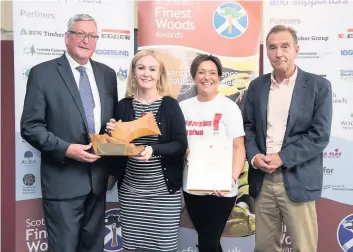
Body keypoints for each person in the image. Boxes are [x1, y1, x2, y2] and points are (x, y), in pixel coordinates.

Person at [20, 14, 118, 252]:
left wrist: (114, 128)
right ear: (66, 37)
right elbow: (30, 127)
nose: (87, 40)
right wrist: (66, 149)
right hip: (62, 182)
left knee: (93, 248)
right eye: (80, 34)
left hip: (98, 181)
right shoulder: (43, 73)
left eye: (92, 35)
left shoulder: (107, 74)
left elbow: (110, 121)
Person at [243, 25, 332, 252]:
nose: (278, 53)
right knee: (263, 247)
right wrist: (254, 157)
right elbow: (249, 128)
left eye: (285, 46)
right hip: (262, 180)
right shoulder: (256, 86)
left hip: (297, 177)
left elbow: (319, 136)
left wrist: (282, 157)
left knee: (304, 247)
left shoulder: (318, 86)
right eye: (272, 47)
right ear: (268, 52)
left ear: (296, 50)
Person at [106, 49, 187, 252]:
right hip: (131, 193)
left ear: (159, 74)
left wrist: (153, 149)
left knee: (165, 247)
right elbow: (114, 149)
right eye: (141, 68)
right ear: (133, 72)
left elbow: (179, 145)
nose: (146, 73)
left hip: (163, 194)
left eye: (152, 69)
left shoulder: (170, 105)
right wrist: (110, 134)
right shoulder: (123, 106)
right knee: (134, 247)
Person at [180, 54, 246, 252]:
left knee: (208, 243)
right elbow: (179, 144)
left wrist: (231, 179)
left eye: (212, 73)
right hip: (192, 187)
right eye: (201, 72)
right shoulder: (182, 108)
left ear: (219, 77)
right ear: (194, 77)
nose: (206, 77)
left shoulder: (229, 108)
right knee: (208, 241)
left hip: (222, 189)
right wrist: (185, 152)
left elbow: (239, 147)